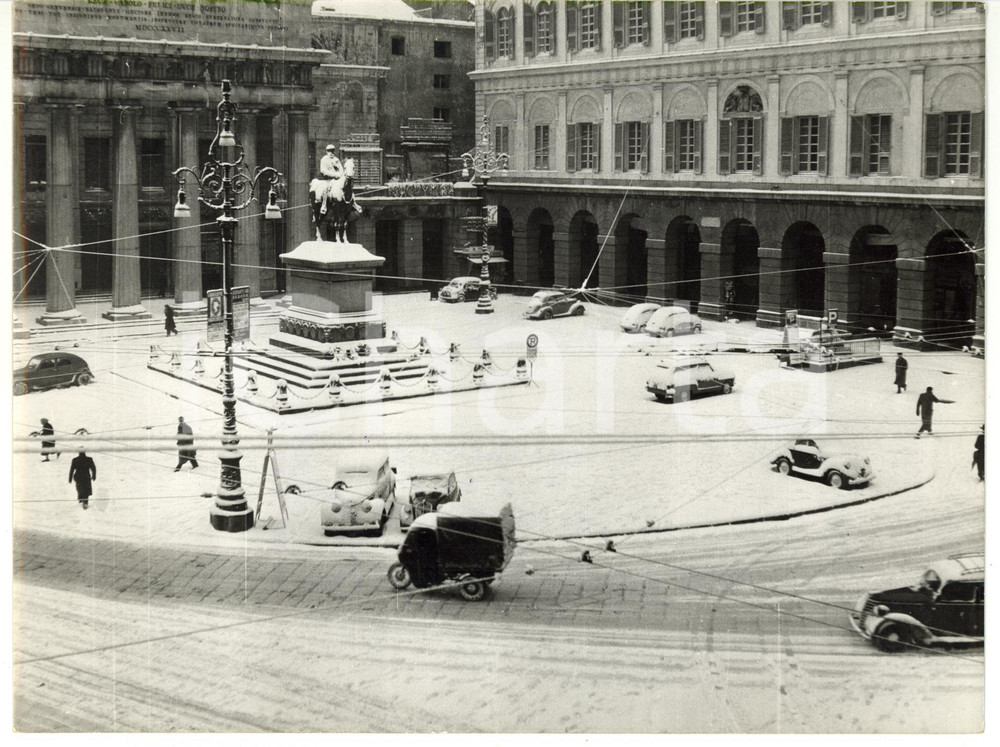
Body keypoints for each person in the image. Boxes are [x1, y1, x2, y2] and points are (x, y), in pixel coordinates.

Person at [318, 143, 344, 215]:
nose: (332, 153)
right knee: (326, 189)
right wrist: (334, 174)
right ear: (327, 151)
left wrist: (339, 174)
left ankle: (351, 203)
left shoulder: (336, 160)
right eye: (330, 151)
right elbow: (323, 171)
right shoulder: (324, 159)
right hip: (328, 179)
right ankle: (324, 205)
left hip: (337, 180)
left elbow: (341, 170)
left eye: (333, 151)